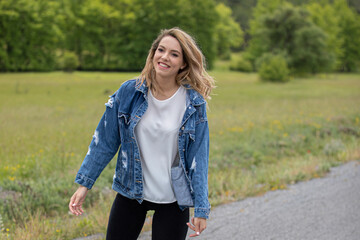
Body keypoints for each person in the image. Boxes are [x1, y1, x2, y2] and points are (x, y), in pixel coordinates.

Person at [69, 27, 215, 240]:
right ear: (153, 53)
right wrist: (84, 184)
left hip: (173, 199)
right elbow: (105, 141)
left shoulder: (193, 104)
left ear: (183, 63)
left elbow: (198, 159)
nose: (164, 57)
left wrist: (201, 208)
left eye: (174, 54)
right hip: (131, 192)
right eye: (161, 50)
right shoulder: (129, 92)